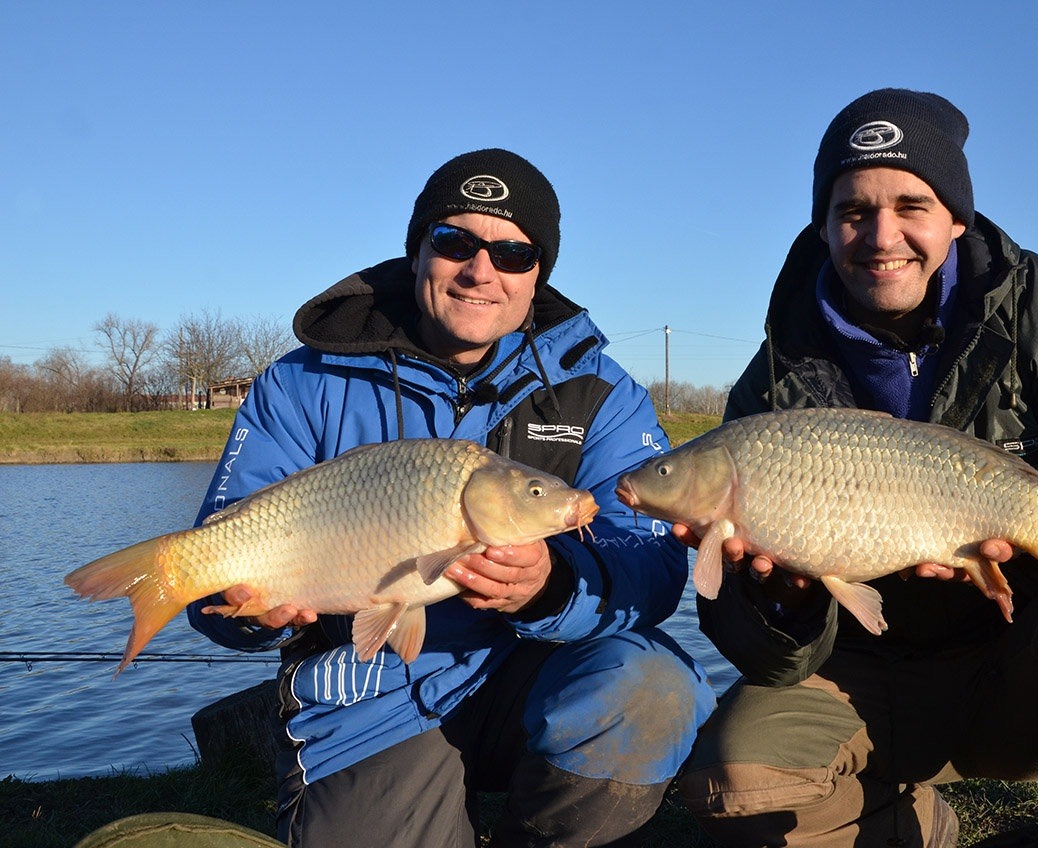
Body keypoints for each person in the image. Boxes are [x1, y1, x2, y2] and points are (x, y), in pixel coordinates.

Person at [674, 90, 1038, 848]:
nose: (882, 236)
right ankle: (912, 827)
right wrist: (785, 598)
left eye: (912, 205)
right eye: (852, 211)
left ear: (956, 218)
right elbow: (755, 648)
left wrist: (1032, 522)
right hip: (862, 668)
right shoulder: (773, 377)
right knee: (735, 783)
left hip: (1019, 658)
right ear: (822, 223)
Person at [187, 148, 717, 848]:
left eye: (513, 253)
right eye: (454, 241)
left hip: (545, 674)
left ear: (539, 275)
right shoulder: (302, 382)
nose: (480, 271)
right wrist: (254, 616)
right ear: (417, 253)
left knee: (650, 687)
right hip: (370, 695)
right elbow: (210, 583)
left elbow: (650, 569)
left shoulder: (601, 391)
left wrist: (553, 588)